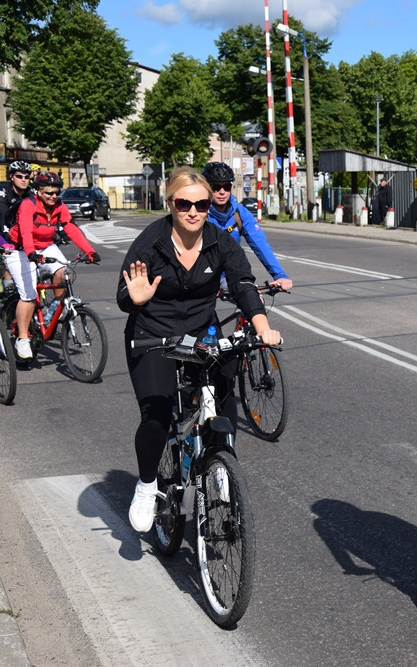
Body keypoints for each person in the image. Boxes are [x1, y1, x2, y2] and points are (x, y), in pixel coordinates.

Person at [118, 167, 282, 534]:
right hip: (152, 335)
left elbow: (243, 285)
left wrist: (263, 329)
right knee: (157, 415)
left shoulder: (220, 241)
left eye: (202, 204)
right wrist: (136, 297)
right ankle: (146, 486)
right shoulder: (151, 242)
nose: (193, 211)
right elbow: (123, 294)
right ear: (170, 203)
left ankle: (221, 464)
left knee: (223, 390)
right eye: (184, 203)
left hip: (199, 333)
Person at [6, 172, 100, 362]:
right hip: (20, 249)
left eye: (57, 192)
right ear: (38, 191)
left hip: (45, 245)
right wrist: (32, 253)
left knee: (65, 272)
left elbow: (71, 227)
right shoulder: (28, 204)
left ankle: (55, 310)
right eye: (49, 192)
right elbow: (24, 229)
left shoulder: (59, 206)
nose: (53, 196)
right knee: (29, 295)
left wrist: (89, 251)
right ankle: (23, 338)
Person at [201, 161, 293, 291]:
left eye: (226, 187)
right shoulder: (198, 212)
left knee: (255, 302)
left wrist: (279, 274)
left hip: (229, 276)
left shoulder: (240, 213)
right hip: (200, 278)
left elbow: (260, 245)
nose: (222, 192)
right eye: (215, 187)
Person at [0, 160, 34, 240]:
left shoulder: (32, 194)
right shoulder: (2, 193)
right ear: (11, 177)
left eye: (26, 177)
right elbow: (3, 216)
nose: (23, 180)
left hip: (22, 234)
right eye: (19, 176)